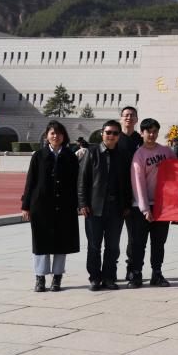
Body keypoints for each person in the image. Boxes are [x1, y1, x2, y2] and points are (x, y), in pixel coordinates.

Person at [22, 121, 80, 292]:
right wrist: (26, 206)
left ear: (64, 136)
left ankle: (57, 277)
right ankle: (40, 278)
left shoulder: (70, 156)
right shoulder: (38, 156)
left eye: (59, 133)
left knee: (62, 242)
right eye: (52, 133)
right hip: (41, 206)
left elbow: (77, 182)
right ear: (47, 135)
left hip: (64, 206)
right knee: (41, 242)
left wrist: (78, 204)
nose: (56, 136)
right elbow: (30, 181)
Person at [78, 119, 131, 291]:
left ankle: (109, 277)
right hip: (94, 208)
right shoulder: (92, 153)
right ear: (102, 133)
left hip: (116, 208)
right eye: (108, 132)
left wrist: (126, 205)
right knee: (94, 245)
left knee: (113, 246)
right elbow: (82, 180)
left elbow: (127, 183)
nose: (111, 136)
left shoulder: (123, 155)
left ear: (119, 136)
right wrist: (82, 203)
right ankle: (95, 278)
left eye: (115, 133)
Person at [129, 118, 175, 287]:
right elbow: (138, 183)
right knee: (138, 243)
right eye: (148, 131)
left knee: (158, 243)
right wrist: (145, 208)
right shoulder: (139, 155)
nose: (152, 134)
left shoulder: (166, 151)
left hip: (162, 206)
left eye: (155, 131)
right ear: (142, 133)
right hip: (142, 207)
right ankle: (136, 273)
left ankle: (157, 273)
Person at [116, 106, 142, 283]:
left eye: (132, 115)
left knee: (134, 237)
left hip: (135, 196)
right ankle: (109, 271)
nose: (129, 118)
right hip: (116, 195)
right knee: (112, 238)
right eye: (126, 115)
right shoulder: (114, 137)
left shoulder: (140, 140)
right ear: (121, 118)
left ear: (136, 119)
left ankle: (132, 269)